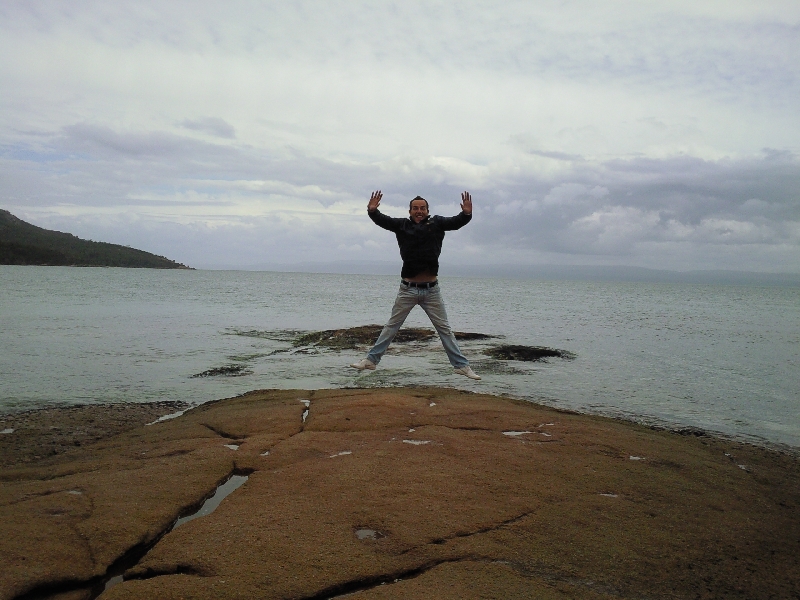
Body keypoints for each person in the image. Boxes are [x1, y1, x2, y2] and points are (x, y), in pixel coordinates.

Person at [349, 190, 481, 380]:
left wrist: (467, 214)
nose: (419, 211)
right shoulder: (401, 225)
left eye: (422, 208)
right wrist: (372, 211)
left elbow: (456, 222)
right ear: (410, 211)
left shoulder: (437, 224)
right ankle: (371, 361)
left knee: (444, 329)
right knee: (391, 326)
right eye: (415, 208)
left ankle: (461, 366)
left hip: (431, 291)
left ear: (427, 210)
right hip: (407, 290)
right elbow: (382, 220)